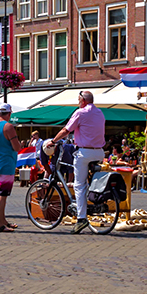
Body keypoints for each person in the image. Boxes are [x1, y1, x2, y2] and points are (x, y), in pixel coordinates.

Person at [49, 91, 106, 233]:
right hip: (99, 151)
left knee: (79, 185)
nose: (78, 101)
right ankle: (94, 201)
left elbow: (66, 130)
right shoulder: (100, 113)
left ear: (83, 100)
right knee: (90, 182)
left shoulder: (80, 112)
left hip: (84, 152)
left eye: (79, 99)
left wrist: (53, 141)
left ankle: (81, 219)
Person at [0, 104, 25, 233]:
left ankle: (2, 220)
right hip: (6, 163)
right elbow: (16, 147)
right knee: (2, 195)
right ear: (9, 113)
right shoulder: (8, 127)